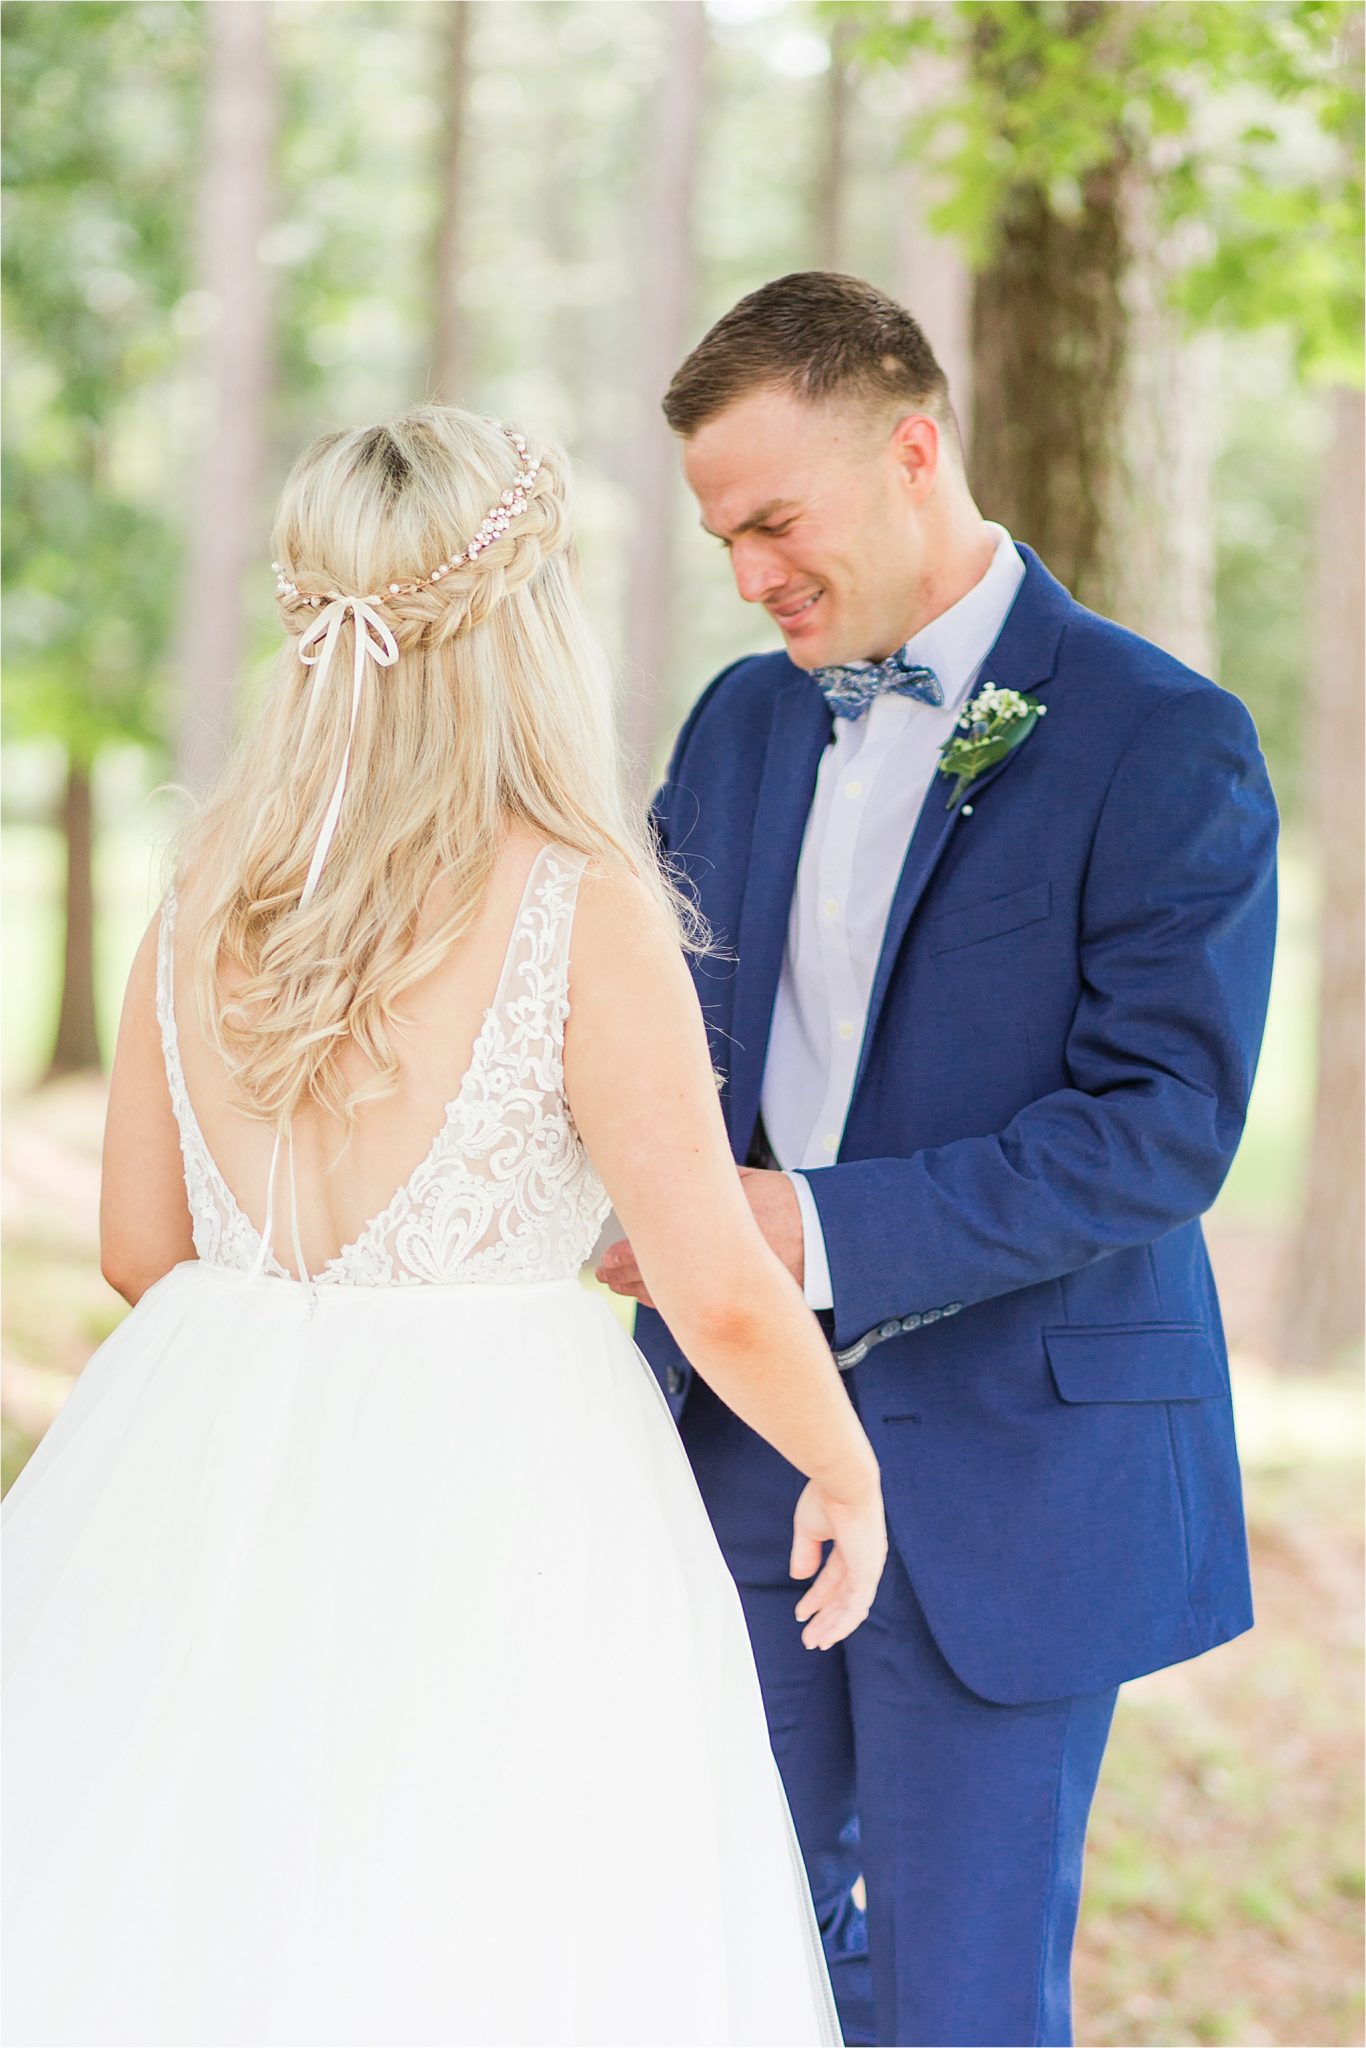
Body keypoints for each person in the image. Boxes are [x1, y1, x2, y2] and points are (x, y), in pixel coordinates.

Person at [1, 405, 888, 2048]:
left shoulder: (204, 888)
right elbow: (716, 1286)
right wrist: (844, 1467)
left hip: (201, 1457)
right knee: (487, 1917)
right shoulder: (575, 902)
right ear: (524, 630)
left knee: (196, 1901)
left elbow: (139, 1249)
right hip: (503, 1482)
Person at [598, 272, 1279, 2048]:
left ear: (910, 452)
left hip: (1016, 1472)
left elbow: (1159, 1131)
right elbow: (659, 1041)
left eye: (772, 521)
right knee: (717, 1950)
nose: (747, 575)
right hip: (731, 1435)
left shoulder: (1160, 737)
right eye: (719, 536)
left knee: (961, 1998)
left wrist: (801, 1226)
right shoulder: (739, 725)